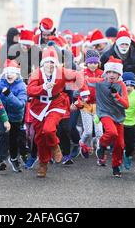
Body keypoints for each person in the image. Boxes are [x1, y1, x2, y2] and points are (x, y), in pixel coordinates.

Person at [27, 47, 90, 178]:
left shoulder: (61, 72)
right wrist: (42, 87)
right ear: (42, 63)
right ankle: (43, 163)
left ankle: (55, 146)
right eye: (47, 62)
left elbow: (78, 75)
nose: (49, 65)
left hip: (56, 104)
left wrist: (83, 91)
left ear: (56, 64)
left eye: (52, 62)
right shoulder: (36, 73)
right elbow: (30, 90)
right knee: (40, 138)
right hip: (38, 106)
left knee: (49, 130)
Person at [0, 59, 28, 173]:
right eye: (7, 72)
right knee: (3, 135)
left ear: (17, 74)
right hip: (3, 116)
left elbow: (20, 105)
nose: (9, 75)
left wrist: (8, 94)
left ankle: (13, 158)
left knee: (14, 139)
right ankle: (1, 160)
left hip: (16, 117)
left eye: (12, 72)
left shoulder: (21, 86)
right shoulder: (0, 82)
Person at [95, 57, 129, 178]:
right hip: (104, 113)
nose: (111, 75)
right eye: (109, 72)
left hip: (118, 116)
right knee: (111, 132)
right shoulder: (99, 82)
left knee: (120, 144)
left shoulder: (122, 85)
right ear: (105, 72)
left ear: (119, 73)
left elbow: (126, 105)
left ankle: (116, 165)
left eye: (114, 72)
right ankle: (102, 145)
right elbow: (84, 81)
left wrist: (117, 96)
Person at [77, 50, 104, 159]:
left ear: (98, 63)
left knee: (99, 132)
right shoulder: (82, 74)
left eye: (95, 62)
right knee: (88, 131)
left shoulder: (103, 74)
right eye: (90, 62)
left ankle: (99, 150)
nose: (93, 65)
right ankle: (82, 143)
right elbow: (79, 88)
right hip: (86, 106)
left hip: (98, 106)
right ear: (86, 63)